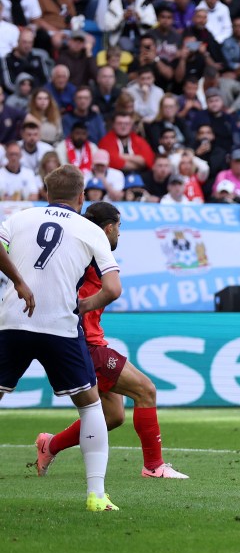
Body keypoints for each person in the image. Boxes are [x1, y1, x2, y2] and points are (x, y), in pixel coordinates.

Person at [0, 165, 122, 511]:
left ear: (46, 191)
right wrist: (84, 305)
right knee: (90, 405)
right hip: (60, 327)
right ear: (82, 197)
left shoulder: (20, 217)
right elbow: (113, 288)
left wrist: (20, 283)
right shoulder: (90, 229)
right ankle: (96, 495)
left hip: (13, 320)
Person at [37, 202, 188, 479]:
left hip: (88, 338)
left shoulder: (76, 245)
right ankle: (153, 466)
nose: (120, 233)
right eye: (118, 227)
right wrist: (81, 307)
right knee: (146, 391)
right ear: (108, 228)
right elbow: (112, 289)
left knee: (113, 415)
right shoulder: (95, 249)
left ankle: (51, 444)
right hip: (84, 342)